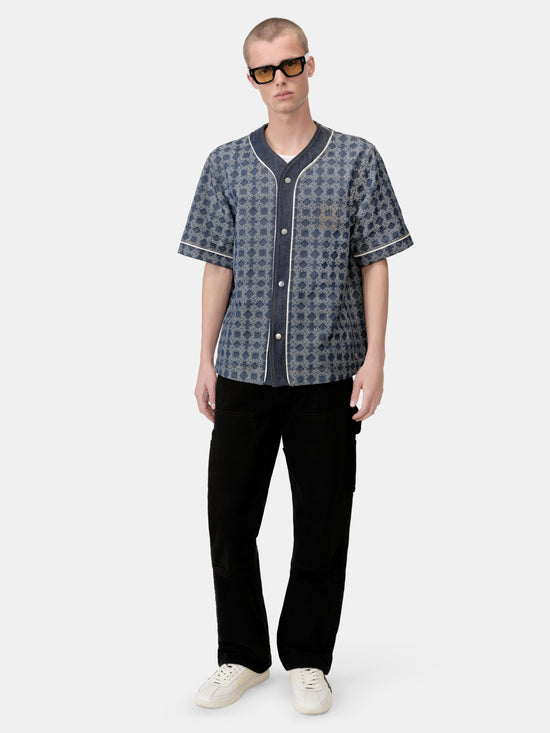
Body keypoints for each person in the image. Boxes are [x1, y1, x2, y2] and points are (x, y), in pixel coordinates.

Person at [177, 17, 414, 715]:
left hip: (327, 370)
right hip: (243, 369)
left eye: (289, 65)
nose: (278, 81)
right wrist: (204, 357)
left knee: (322, 521)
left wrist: (375, 356)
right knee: (229, 518)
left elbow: (375, 261)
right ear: (250, 79)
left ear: (310, 65)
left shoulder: (357, 158)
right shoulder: (225, 163)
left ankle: (308, 657)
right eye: (264, 70)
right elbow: (217, 265)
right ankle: (243, 655)